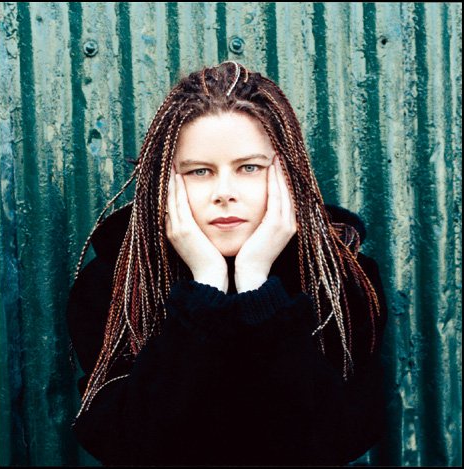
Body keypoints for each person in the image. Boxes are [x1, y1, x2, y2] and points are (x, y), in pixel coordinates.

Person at [67, 61, 388, 466]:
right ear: (166, 181)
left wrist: (258, 292)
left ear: (286, 173)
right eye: (200, 171)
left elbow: (336, 439)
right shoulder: (116, 285)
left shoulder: (341, 279)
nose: (224, 193)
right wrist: (204, 292)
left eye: (249, 168)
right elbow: (126, 444)